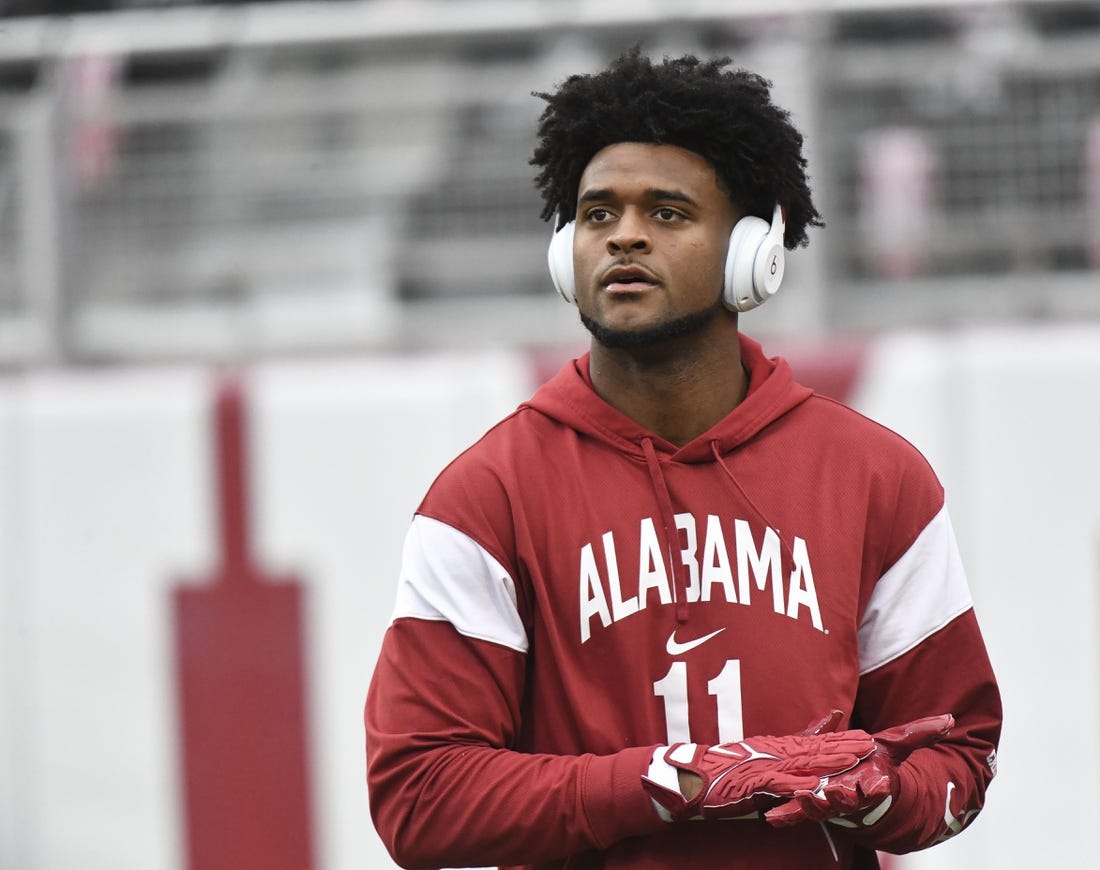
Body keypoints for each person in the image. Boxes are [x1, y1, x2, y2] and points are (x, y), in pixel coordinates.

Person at [365, 48, 1001, 870]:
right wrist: (669, 782)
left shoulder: (877, 476)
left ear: (753, 253)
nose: (624, 234)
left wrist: (880, 797)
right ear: (565, 253)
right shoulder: (484, 497)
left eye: (666, 212)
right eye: (598, 214)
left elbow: (961, 755)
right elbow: (419, 800)